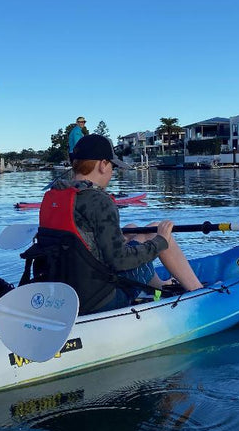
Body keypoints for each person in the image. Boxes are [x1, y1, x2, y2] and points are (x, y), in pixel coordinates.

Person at [27, 134, 203, 314]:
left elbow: (81, 241)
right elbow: (120, 261)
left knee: (132, 229)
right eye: (112, 166)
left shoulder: (52, 197)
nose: (112, 172)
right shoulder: (98, 200)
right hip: (99, 300)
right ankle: (199, 292)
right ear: (103, 165)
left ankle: (159, 285)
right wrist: (160, 242)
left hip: (64, 295)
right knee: (156, 232)